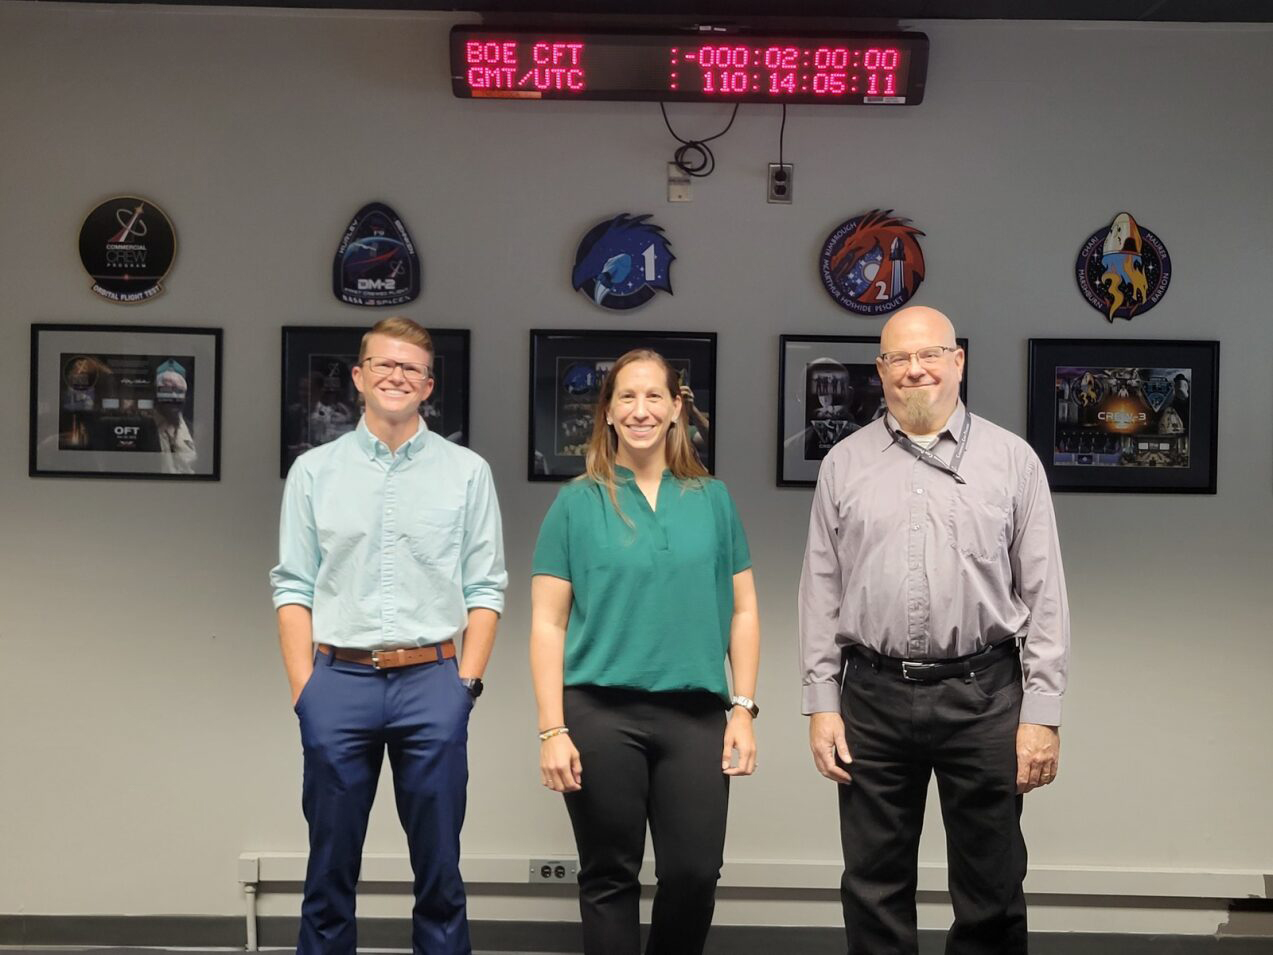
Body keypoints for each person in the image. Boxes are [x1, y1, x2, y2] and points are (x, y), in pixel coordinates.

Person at [798, 306, 1069, 955]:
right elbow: (820, 590)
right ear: (881, 370)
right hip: (871, 696)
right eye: (897, 357)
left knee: (991, 884)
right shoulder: (844, 464)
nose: (913, 368)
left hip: (983, 694)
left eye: (928, 354)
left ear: (957, 361)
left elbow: (1045, 596)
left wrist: (1042, 713)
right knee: (872, 882)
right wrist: (820, 703)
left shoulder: (1012, 461)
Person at [270, 316, 507, 955]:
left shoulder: (467, 472)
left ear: (429, 385)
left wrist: (465, 686)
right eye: (383, 364)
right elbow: (292, 586)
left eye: (411, 368)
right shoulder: (314, 472)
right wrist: (306, 692)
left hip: (433, 682)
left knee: (439, 874)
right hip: (337, 682)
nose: (397, 376)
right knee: (328, 874)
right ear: (358, 376)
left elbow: (486, 590)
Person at [530, 348, 760, 955]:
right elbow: (547, 625)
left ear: (677, 408)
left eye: (654, 396)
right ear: (607, 412)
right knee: (609, 875)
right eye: (626, 397)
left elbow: (744, 611)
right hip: (600, 713)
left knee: (693, 873)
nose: (640, 410)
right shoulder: (576, 503)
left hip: (696, 715)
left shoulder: (713, 500)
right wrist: (552, 729)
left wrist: (743, 707)